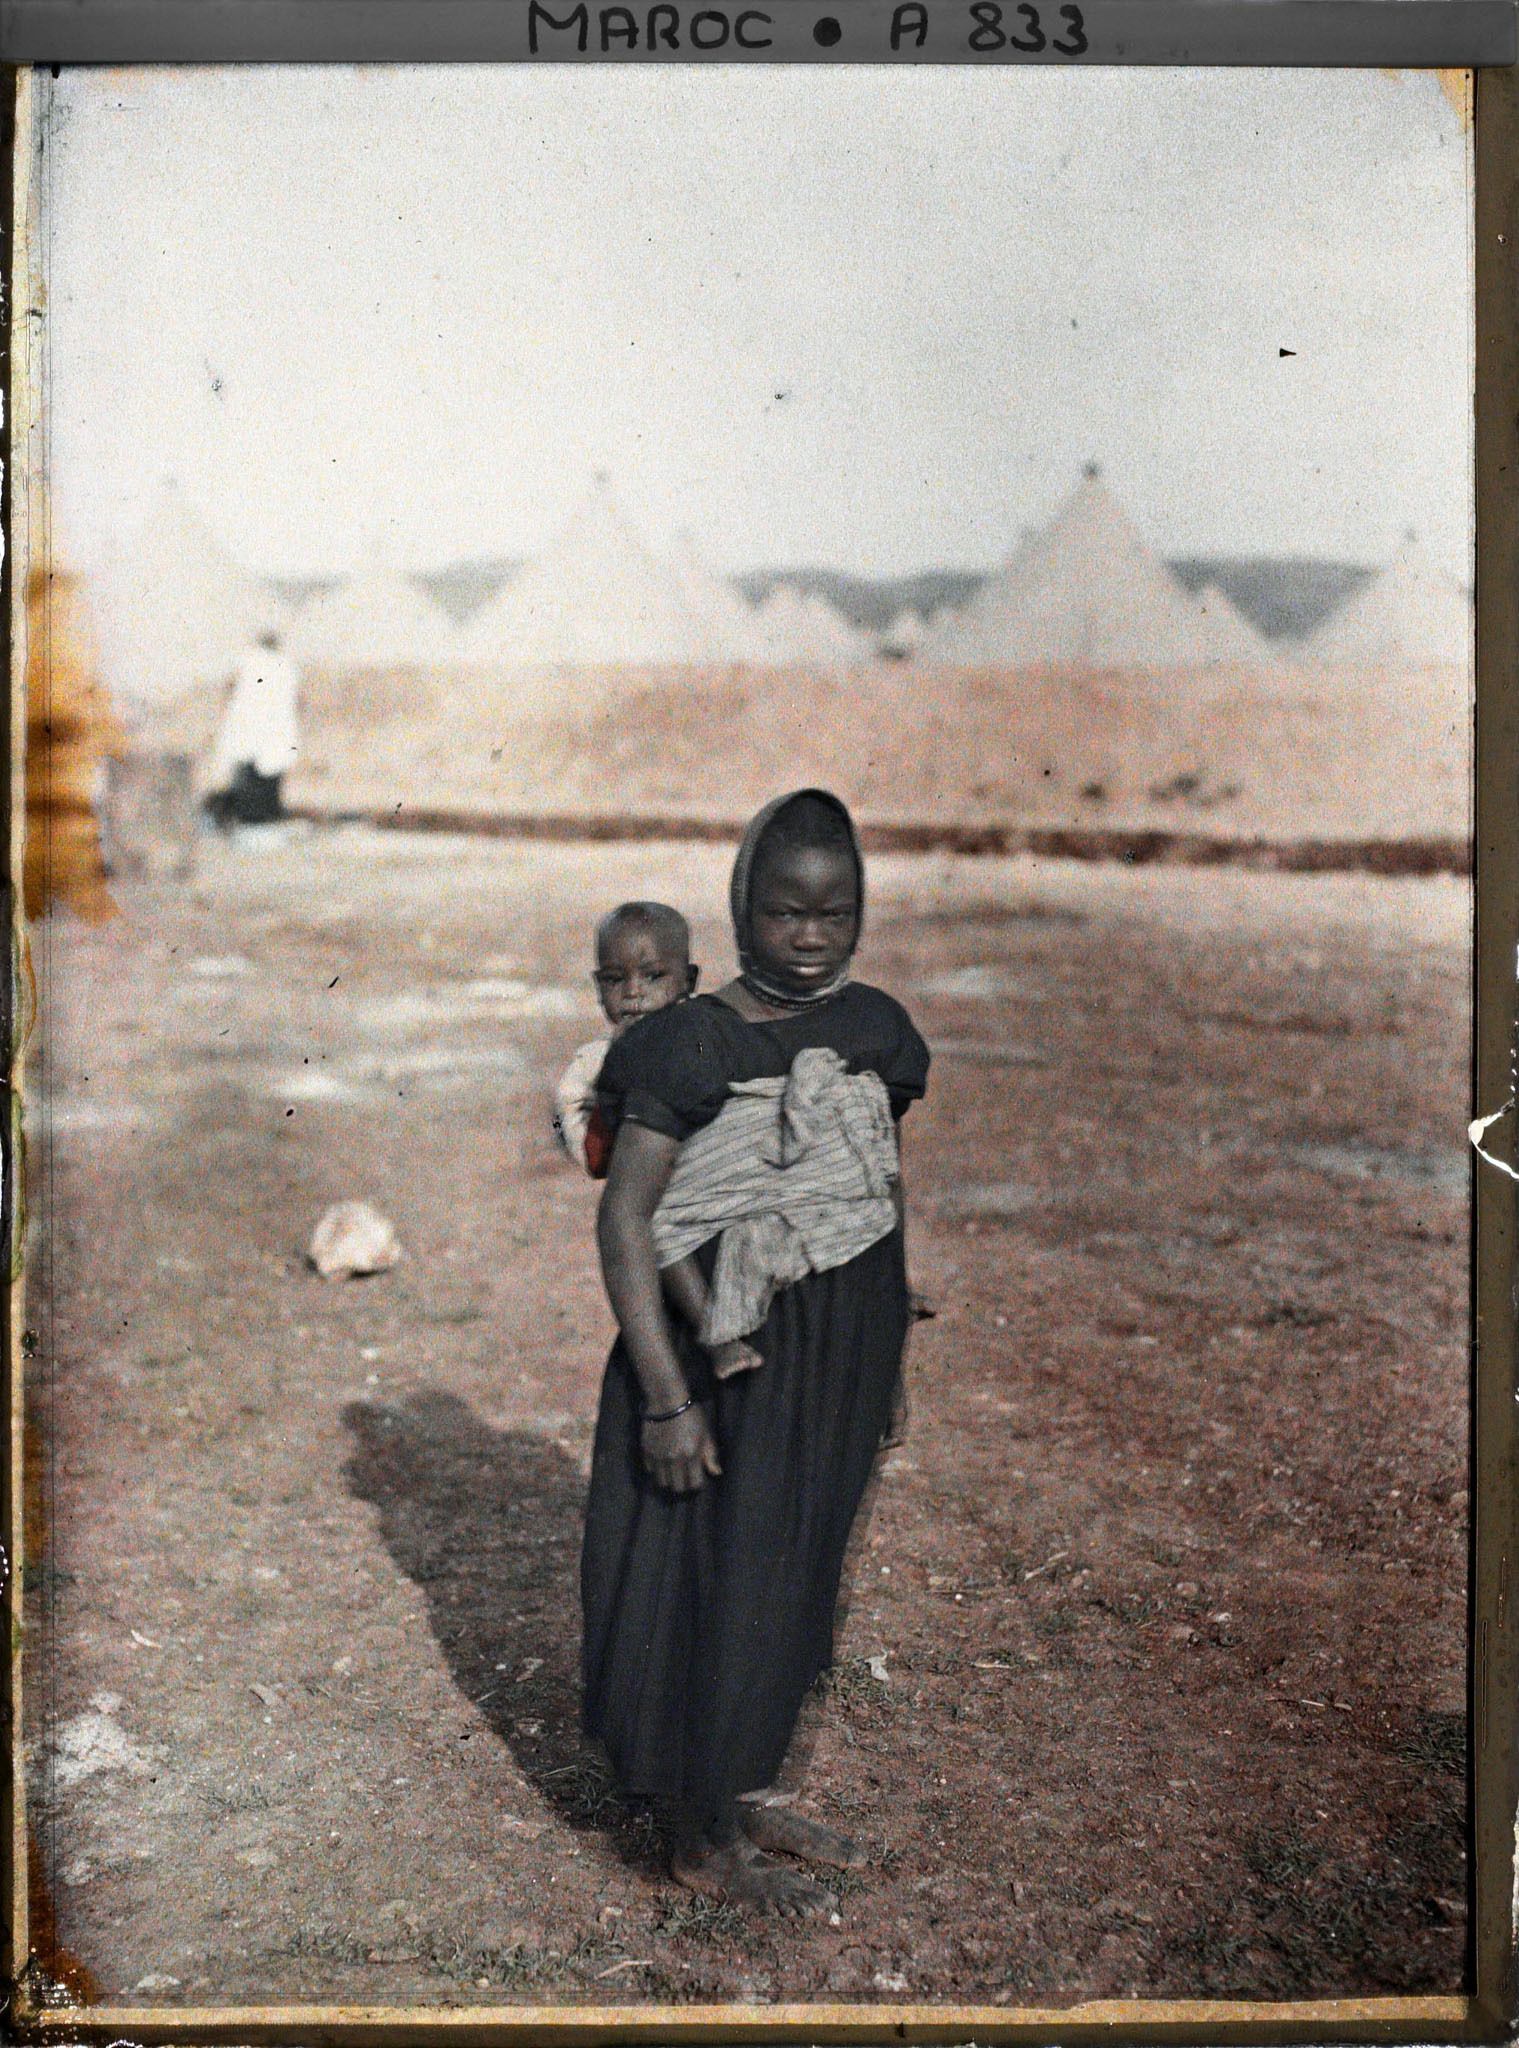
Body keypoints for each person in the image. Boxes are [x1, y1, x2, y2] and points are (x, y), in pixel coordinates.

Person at [582, 789, 930, 1917]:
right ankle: (692, 1827)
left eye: (836, 912)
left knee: (794, 1566)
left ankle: (730, 1786)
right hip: (719, 1358)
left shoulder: (878, 1027)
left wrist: (893, 1367)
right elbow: (628, 1218)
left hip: (841, 1348)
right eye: (786, 913)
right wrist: (664, 1399)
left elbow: (865, 1182)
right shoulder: (687, 1040)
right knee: (717, 1571)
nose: (813, 935)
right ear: (740, 910)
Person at [555, 902, 760, 1377]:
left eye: (652, 977)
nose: (632, 995)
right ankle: (719, 1337)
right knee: (658, 1225)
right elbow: (596, 1158)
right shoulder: (596, 1061)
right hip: (666, 1187)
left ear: (688, 980)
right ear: (597, 987)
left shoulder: (708, 1033)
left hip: (731, 1179)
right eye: (614, 980)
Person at [204, 627, 300, 829]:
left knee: (252, 785)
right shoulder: (280, 665)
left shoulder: (253, 663)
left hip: (253, 740)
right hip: (266, 740)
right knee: (261, 786)